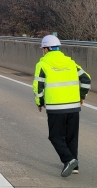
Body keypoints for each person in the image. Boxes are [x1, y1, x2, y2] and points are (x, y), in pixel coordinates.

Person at [33, 35, 91, 177]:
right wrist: (82, 96)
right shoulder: (71, 63)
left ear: (46, 49)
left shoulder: (42, 64)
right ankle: (75, 166)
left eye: (43, 49)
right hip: (73, 106)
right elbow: (86, 79)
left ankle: (69, 159)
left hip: (55, 107)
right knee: (71, 136)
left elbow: (38, 86)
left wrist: (39, 102)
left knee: (55, 137)